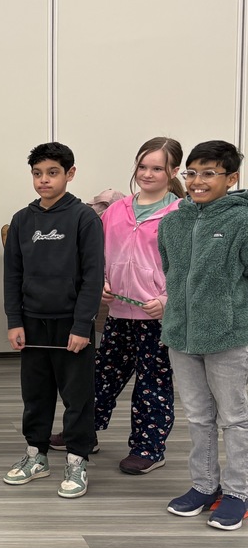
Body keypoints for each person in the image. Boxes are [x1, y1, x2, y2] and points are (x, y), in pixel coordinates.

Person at [48, 138, 183, 474]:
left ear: (173, 171)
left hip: (158, 320)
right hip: (119, 315)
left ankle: (149, 449)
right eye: (142, 166)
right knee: (99, 377)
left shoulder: (180, 215)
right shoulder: (115, 212)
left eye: (157, 167)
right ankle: (84, 434)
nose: (147, 174)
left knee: (152, 385)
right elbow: (96, 257)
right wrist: (101, 285)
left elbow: (187, 267)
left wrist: (167, 300)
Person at [2, 142, 104, 499]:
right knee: (35, 394)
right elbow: (12, 274)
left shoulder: (84, 218)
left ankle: (77, 459)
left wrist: (81, 326)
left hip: (70, 325)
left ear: (69, 174)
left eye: (52, 172)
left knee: (77, 396)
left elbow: (93, 276)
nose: (44, 180)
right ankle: (36, 455)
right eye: (37, 173)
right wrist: (15, 321)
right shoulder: (22, 220)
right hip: (31, 324)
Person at [158, 140, 248, 530]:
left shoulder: (241, 221)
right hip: (181, 333)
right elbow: (170, 272)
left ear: (232, 178)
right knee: (197, 416)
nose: (197, 181)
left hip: (229, 334)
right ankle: (204, 485)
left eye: (209, 173)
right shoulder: (172, 221)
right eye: (191, 173)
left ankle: (239, 492)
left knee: (236, 418)